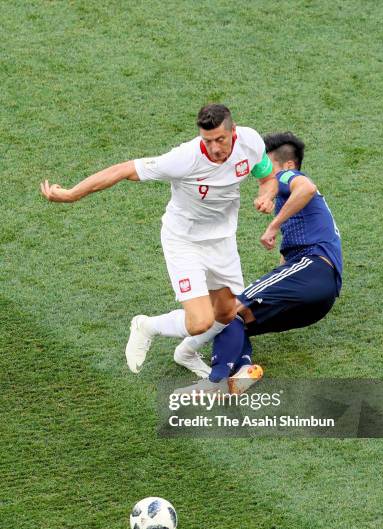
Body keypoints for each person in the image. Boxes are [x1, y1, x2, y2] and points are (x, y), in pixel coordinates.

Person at [40, 104, 276, 374]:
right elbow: (124, 169)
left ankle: (185, 354)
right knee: (200, 321)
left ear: (233, 132)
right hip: (184, 241)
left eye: (220, 139)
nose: (214, 148)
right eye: (207, 140)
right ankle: (146, 325)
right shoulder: (184, 158)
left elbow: (267, 177)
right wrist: (72, 194)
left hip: (222, 241)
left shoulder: (251, 142)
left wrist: (267, 195)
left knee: (225, 313)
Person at [176, 131, 343, 394]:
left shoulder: (289, 176)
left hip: (313, 269)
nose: (262, 175)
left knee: (228, 307)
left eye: (267, 166)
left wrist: (273, 227)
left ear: (287, 164)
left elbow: (307, 188)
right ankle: (242, 371)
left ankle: (214, 380)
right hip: (319, 298)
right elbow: (287, 260)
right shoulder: (295, 209)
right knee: (233, 318)